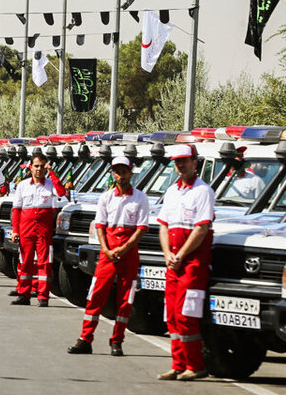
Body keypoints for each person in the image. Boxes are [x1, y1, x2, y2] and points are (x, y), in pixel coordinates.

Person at [68, 156, 148, 355]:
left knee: (125, 299)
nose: (120, 175)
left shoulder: (140, 198)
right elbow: (100, 226)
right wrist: (106, 249)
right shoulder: (106, 197)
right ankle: (85, 339)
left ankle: (117, 341)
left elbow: (141, 228)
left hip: (128, 255)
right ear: (113, 174)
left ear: (131, 173)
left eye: (124, 171)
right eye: (117, 171)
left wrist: (125, 248)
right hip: (107, 254)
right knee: (95, 295)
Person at [156, 144, 215, 381]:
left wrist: (181, 255)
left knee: (186, 314)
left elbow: (201, 229)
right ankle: (178, 364)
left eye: (185, 161)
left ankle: (196, 364)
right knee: (170, 313)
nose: (180, 165)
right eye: (177, 161)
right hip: (173, 263)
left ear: (195, 162)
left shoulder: (203, 191)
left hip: (192, 263)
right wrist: (167, 255)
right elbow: (163, 225)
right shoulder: (172, 191)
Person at [10, 152, 68, 306]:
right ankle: (24, 294)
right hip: (26, 229)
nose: (39, 169)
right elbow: (16, 210)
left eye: (42, 166)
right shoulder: (22, 185)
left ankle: (43, 296)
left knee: (45, 262)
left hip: (44, 230)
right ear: (31, 167)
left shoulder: (50, 185)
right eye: (36, 166)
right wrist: (15, 230)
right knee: (25, 262)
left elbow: (61, 192)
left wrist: (52, 173)